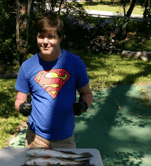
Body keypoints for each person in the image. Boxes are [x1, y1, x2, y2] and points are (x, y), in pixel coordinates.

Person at [14, 11, 93, 148]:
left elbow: (87, 94)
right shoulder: (28, 66)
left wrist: (84, 105)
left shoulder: (74, 63)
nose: (45, 42)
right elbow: (19, 98)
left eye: (51, 37)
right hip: (35, 138)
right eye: (41, 37)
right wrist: (21, 107)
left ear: (60, 37)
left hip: (65, 139)